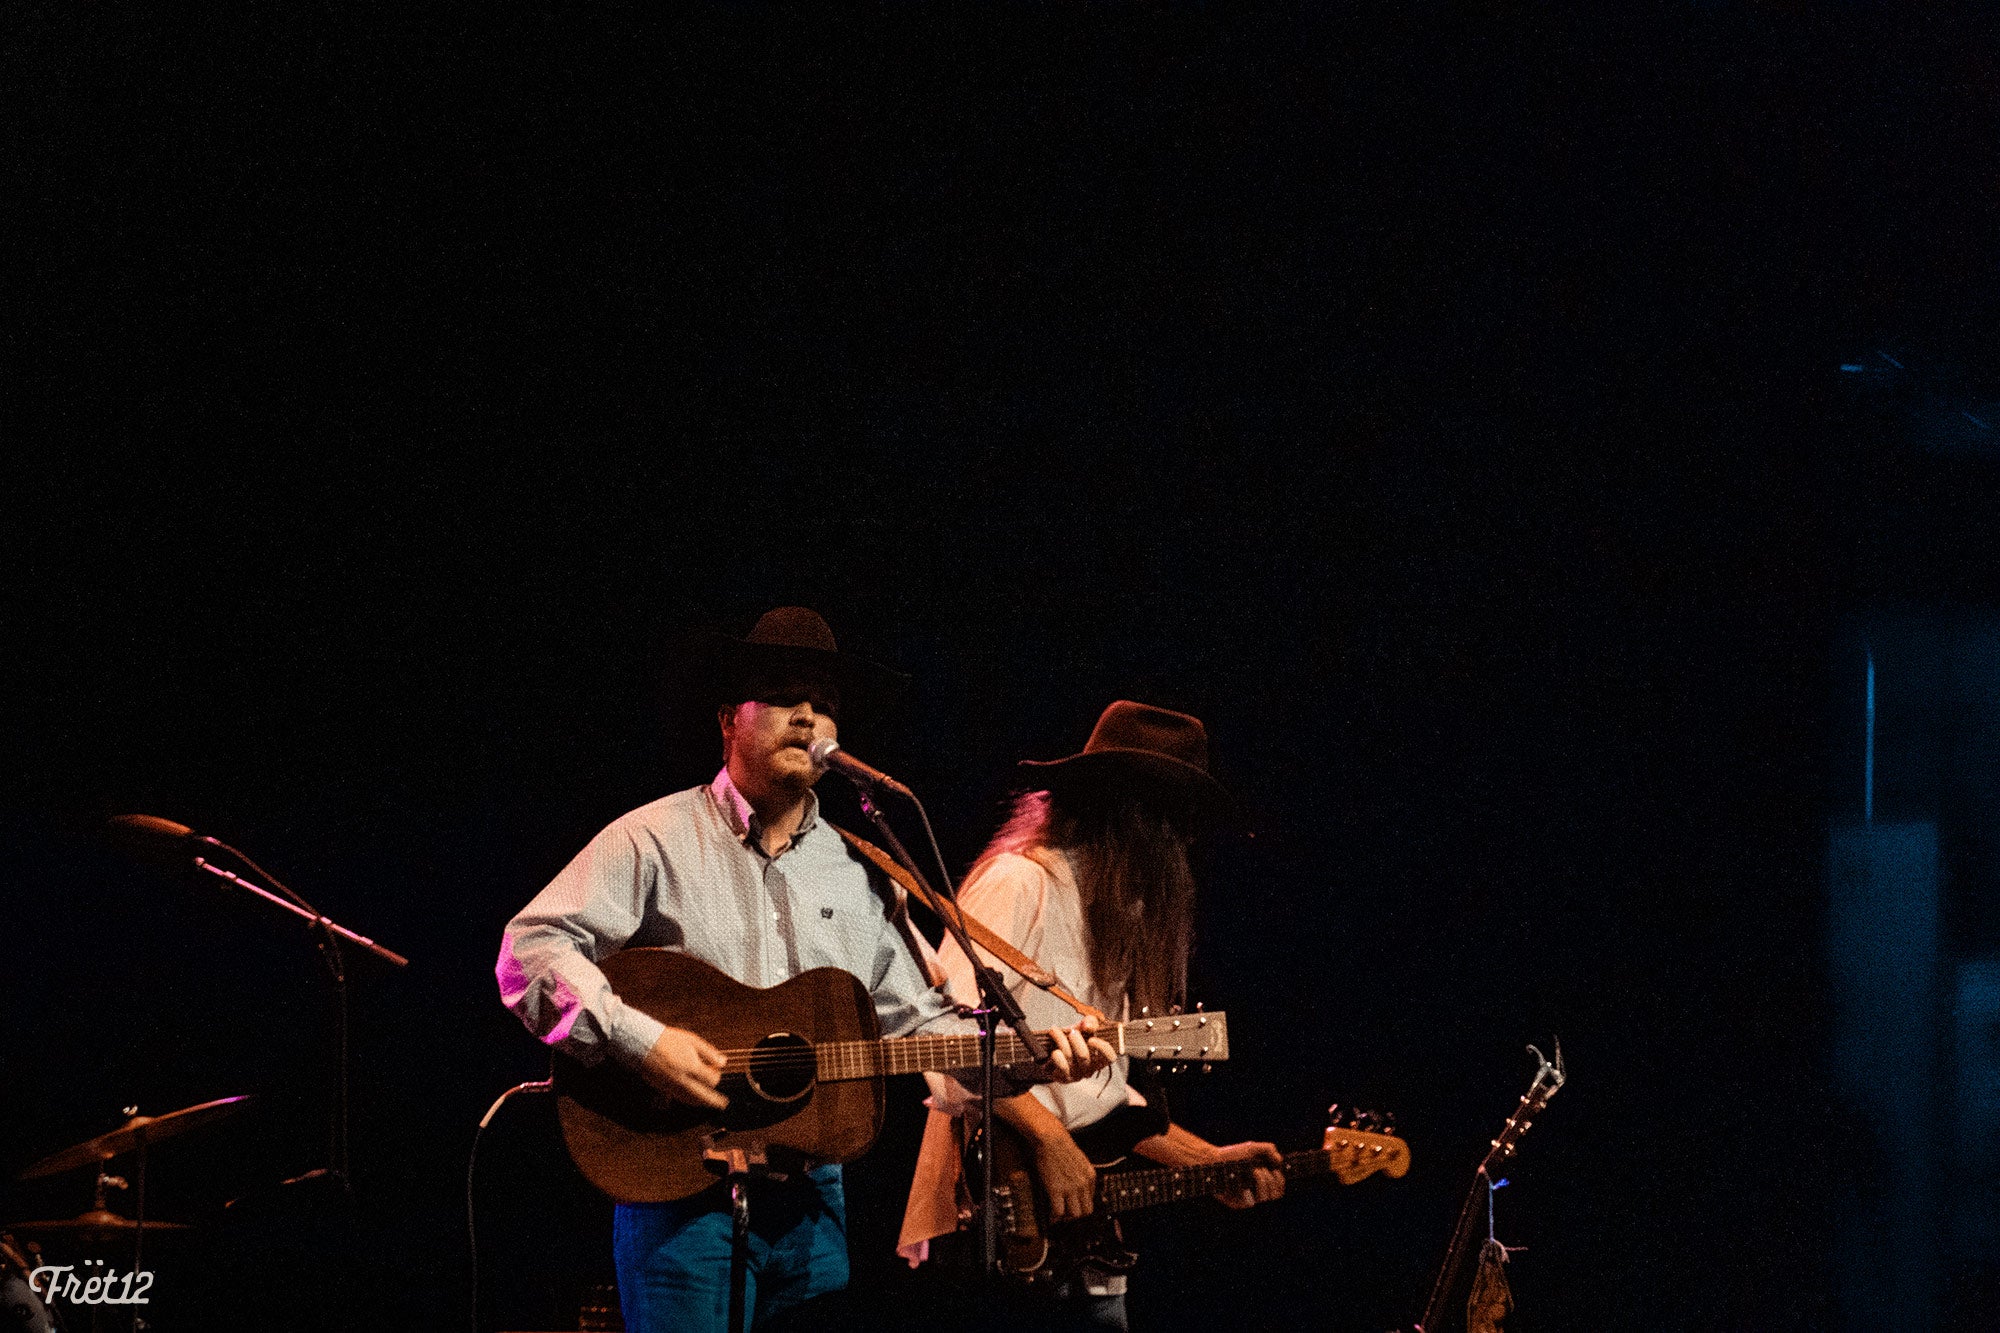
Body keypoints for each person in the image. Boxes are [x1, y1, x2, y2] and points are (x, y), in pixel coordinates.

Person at [496, 608, 1114, 1332]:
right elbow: (529, 947)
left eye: (823, 703)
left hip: (817, 1205)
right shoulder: (652, 837)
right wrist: (643, 1040)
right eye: (783, 695)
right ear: (729, 718)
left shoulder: (864, 866)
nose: (808, 714)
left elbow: (924, 1024)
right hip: (679, 1197)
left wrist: (1038, 1059)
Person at [899, 701, 1286, 1331]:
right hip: (993, 1217)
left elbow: (1102, 1103)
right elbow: (946, 1051)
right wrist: (1050, 1141)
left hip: (1085, 1246)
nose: (1181, 843)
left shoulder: (1118, 914)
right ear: (1125, 813)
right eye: (1169, 819)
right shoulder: (1021, 883)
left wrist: (1205, 1161)